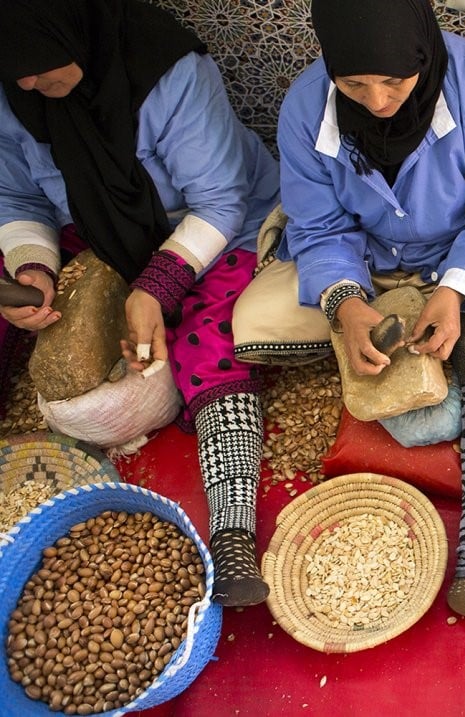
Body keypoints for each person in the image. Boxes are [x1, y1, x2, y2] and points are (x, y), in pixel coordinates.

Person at [275, 0, 465, 641]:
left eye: (395, 82)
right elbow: (318, 227)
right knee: (420, 410)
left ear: (422, 52)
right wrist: (345, 302)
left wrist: (457, 291)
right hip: (377, 266)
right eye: (354, 85)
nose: (377, 101)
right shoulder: (304, 109)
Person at [0, 0, 280, 606]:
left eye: (41, 67)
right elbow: (15, 196)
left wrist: (156, 285)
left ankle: (232, 531)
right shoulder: (14, 90)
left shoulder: (166, 70)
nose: (28, 85)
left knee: (207, 342)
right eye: (15, 74)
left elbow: (222, 199)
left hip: (211, 228)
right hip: (95, 227)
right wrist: (32, 266)